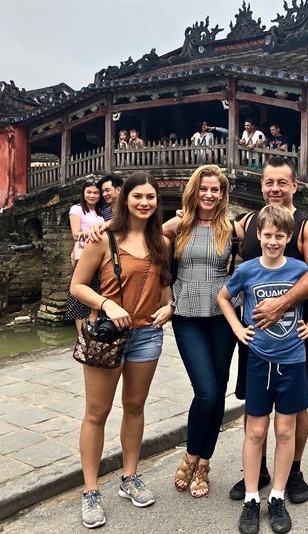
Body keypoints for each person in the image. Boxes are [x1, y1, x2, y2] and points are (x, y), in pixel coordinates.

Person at [70, 172, 174, 528]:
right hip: (107, 334)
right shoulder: (103, 238)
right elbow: (77, 286)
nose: (145, 203)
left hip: (147, 335)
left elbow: (163, 288)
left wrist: (170, 306)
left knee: (134, 406)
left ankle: (130, 477)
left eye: (151, 197)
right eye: (138, 196)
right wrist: (107, 304)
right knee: (96, 413)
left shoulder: (162, 241)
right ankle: (90, 491)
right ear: (124, 198)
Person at [218, 205, 308, 534]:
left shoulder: (298, 268)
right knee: (255, 431)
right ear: (259, 236)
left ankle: (277, 496)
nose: (273, 241)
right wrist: (238, 329)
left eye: (280, 236)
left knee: (284, 431)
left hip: (292, 360)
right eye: (267, 235)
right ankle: (252, 497)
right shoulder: (248, 270)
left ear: (289, 237)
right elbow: (224, 297)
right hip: (259, 361)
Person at [162, 164, 241, 499]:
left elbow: (268, 243)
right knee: (206, 391)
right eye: (204, 189)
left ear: (223, 194)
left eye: (216, 190)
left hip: (222, 315)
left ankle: (203, 462)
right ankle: (191, 453)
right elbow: (140, 229)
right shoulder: (179, 224)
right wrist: (102, 226)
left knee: (218, 390)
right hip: (187, 315)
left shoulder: (232, 228)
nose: (209, 195)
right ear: (194, 190)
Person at [67, 179, 105, 336]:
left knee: (98, 288)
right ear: (83, 193)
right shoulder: (76, 210)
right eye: (89, 192)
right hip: (83, 254)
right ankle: (82, 335)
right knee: (80, 291)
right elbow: (76, 234)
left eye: (96, 192)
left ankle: (93, 326)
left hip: (100, 255)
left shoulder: (102, 211)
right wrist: (97, 232)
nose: (92, 195)